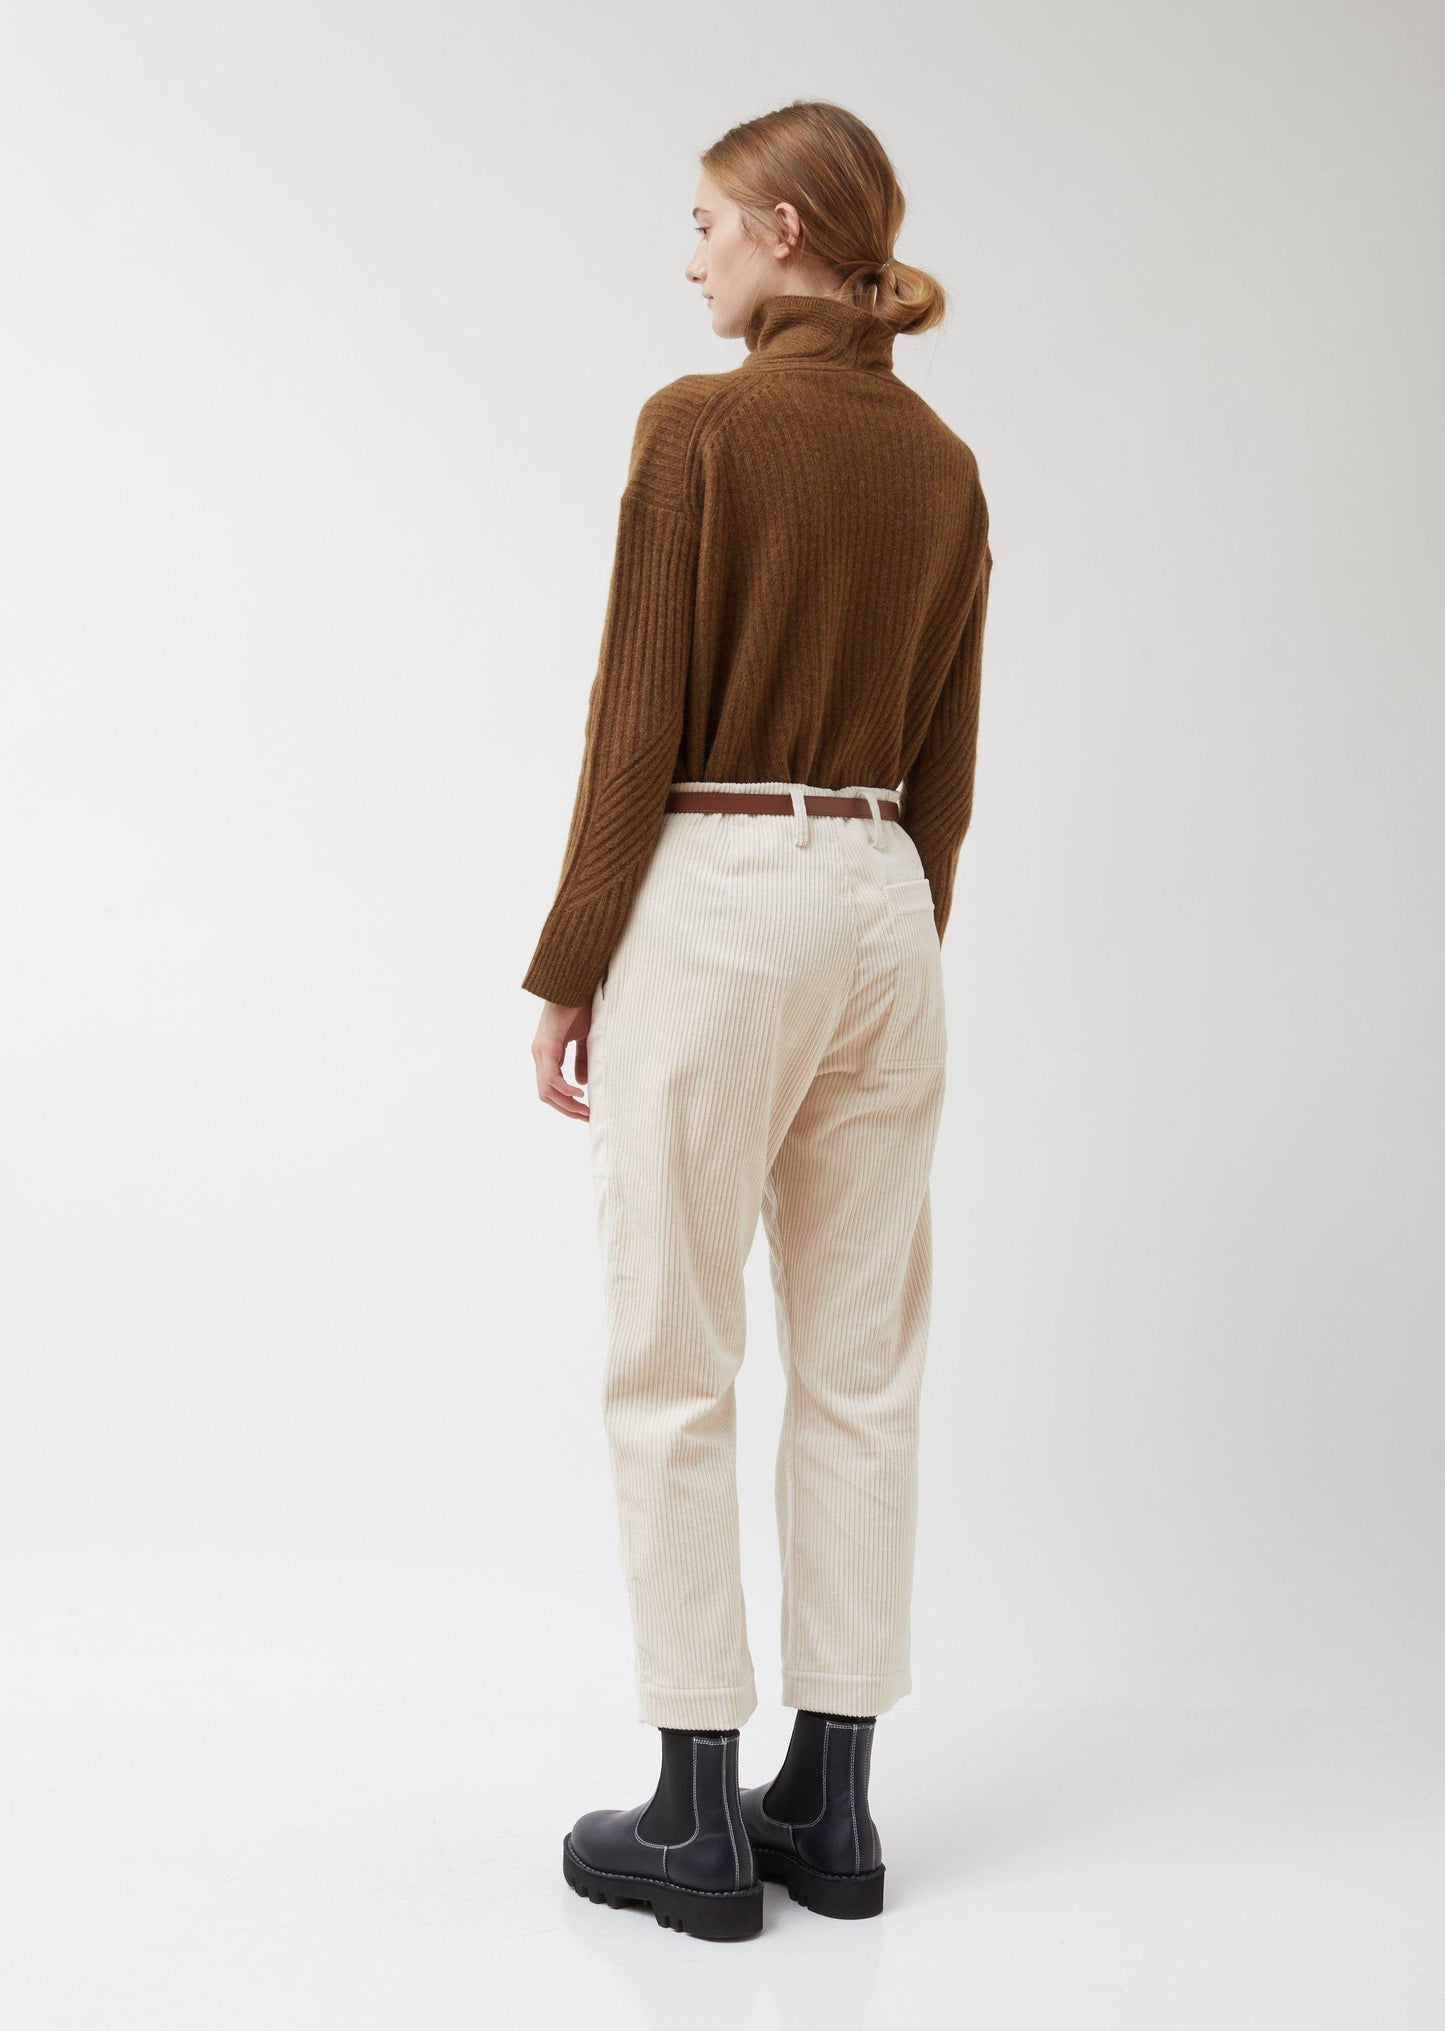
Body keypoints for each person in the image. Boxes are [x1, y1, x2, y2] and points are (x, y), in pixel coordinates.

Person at [522, 99, 992, 1941]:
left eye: (708, 222)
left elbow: (633, 727)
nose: (691, 256)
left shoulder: (700, 428)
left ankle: (694, 1814)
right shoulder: (942, 464)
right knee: (860, 1362)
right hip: (883, 899)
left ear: (786, 228)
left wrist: (572, 960)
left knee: (674, 1348)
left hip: (719, 887)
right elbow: (947, 760)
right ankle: (836, 1806)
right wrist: (887, 936)